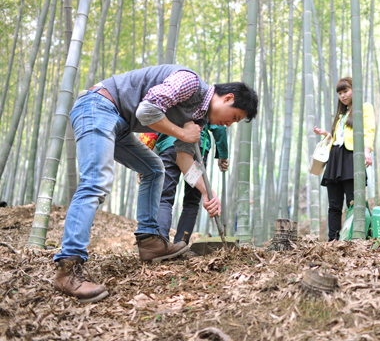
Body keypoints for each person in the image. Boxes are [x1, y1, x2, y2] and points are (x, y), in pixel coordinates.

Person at [53, 64, 258, 303]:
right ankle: (68, 268)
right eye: (234, 117)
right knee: (95, 182)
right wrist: (182, 134)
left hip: (121, 123)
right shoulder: (190, 82)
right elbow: (147, 110)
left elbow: (183, 159)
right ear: (227, 98)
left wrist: (206, 192)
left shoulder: (198, 118)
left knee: (154, 168)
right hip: (98, 106)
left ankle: (150, 241)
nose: (229, 124)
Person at [139, 125, 229, 245]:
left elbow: (152, 126)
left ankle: (162, 244)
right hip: (197, 148)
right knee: (191, 201)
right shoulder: (203, 105)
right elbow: (219, 128)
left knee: (164, 198)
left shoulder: (169, 105)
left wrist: (142, 161)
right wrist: (223, 155)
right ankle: (181, 245)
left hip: (169, 146)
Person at [313, 77, 376, 241]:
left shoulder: (364, 107)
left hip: (352, 157)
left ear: (354, 90)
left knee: (355, 200)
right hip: (335, 158)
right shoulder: (342, 114)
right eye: (340, 93)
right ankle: (332, 240)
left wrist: (367, 151)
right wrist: (326, 135)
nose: (342, 96)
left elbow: (369, 130)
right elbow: (338, 137)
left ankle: (361, 237)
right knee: (334, 205)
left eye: (345, 91)